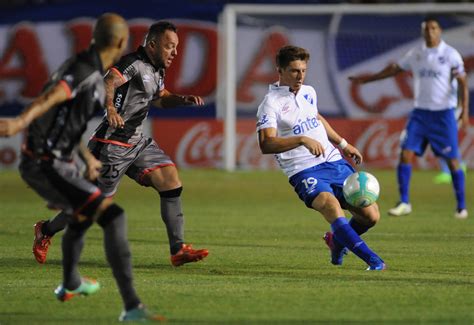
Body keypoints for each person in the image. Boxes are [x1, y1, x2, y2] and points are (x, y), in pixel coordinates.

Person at [0, 13, 163, 321]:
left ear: (93, 39)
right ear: (120, 42)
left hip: (54, 162)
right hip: (45, 163)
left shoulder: (93, 74)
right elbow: (51, 97)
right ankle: (131, 308)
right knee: (113, 217)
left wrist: (86, 158)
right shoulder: (84, 71)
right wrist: (20, 121)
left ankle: (70, 281)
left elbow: (68, 121)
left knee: (83, 214)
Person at [32, 20, 209, 266]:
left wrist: (181, 99)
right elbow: (107, 82)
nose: (175, 52)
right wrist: (110, 109)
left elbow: (160, 98)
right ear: (153, 44)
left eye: (176, 47)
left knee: (170, 179)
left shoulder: (157, 69)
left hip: (137, 142)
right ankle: (46, 230)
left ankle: (178, 249)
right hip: (111, 144)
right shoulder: (132, 64)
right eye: (169, 46)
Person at [256, 45, 385, 270]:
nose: (300, 76)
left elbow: (316, 118)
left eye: (303, 70)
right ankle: (374, 261)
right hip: (302, 169)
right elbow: (266, 144)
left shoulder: (309, 92)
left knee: (371, 215)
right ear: (280, 70)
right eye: (295, 71)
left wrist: (343, 143)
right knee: (331, 206)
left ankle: (336, 241)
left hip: (333, 161)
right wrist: (301, 140)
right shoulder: (270, 103)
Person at [349, 16, 469, 219]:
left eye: (433, 28)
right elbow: (395, 69)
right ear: (423, 32)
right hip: (420, 114)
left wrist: (464, 111)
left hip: (443, 114)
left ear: (439, 31)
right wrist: (368, 79)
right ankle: (404, 202)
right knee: (405, 154)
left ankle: (461, 206)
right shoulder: (416, 53)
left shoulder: (450, 54)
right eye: (426, 29)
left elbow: (463, 82)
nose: (430, 32)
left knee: (452, 161)